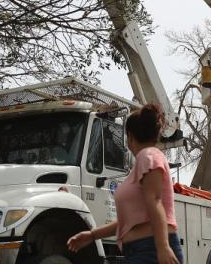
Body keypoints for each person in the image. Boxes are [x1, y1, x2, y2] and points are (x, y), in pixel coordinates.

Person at [67, 104, 182, 264]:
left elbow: (155, 201)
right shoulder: (141, 165)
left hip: (150, 250)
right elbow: (127, 223)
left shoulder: (148, 156)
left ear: (130, 137)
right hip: (141, 250)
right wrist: (92, 235)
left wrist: (162, 247)